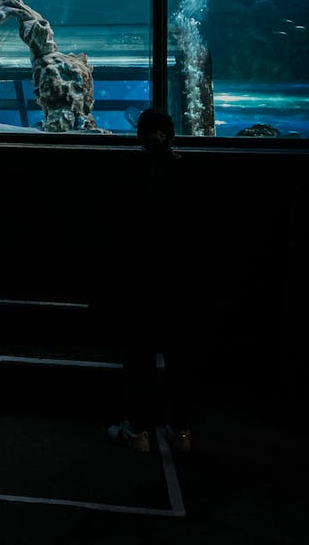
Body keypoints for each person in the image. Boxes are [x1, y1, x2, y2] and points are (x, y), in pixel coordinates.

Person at [105, 106, 197, 452]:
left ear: (139, 136)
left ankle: (138, 429)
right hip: (179, 282)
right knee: (181, 357)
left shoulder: (128, 173)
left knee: (138, 357)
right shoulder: (186, 172)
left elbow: (114, 231)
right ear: (172, 136)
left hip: (139, 281)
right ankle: (181, 428)